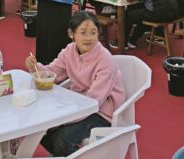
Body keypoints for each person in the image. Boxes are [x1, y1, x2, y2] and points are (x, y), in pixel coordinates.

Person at [25, 12, 126, 157]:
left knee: (63, 138)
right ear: (71, 34)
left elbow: (94, 101)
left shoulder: (105, 61)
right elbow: (52, 73)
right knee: (40, 129)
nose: (88, 38)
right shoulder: (69, 51)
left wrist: (63, 119)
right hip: (77, 104)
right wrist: (34, 67)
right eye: (83, 33)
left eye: (93, 33)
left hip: (101, 112)